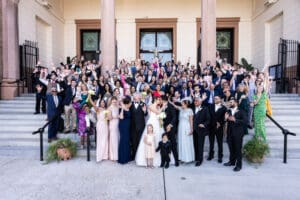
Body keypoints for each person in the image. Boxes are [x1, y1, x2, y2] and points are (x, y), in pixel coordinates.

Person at [135, 96, 165, 167]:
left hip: (157, 123)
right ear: (155, 100)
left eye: (160, 100)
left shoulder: (158, 107)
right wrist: (163, 107)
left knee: (158, 138)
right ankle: (147, 160)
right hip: (152, 123)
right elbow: (157, 112)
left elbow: (159, 115)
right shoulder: (151, 106)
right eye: (159, 100)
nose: (160, 101)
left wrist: (161, 120)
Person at [224, 97, 248, 172]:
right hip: (229, 132)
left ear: (236, 103)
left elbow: (245, 121)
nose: (230, 103)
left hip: (238, 133)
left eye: (231, 102)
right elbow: (225, 121)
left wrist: (235, 120)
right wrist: (225, 118)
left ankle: (239, 165)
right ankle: (232, 162)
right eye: (230, 102)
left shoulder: (241, 111)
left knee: (238, 150)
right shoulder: (228, 111)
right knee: (231, 149)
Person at [170, 99, 194, 163]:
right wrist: (169, 101)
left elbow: (191, 120)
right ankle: (182, 157)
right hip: (180, 127)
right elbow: (175, 106)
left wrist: (191, 129)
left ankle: (187, 158)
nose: (181, 104)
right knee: (181, 141)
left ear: (186, 104)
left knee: (186, 142)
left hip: (187, 126)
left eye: (183, 103)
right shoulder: (181, 109)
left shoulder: (190, 110)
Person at [208, 95, 227, 163]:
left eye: (216, 98)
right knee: (211, 142)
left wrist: (220, 123)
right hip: (211, 127)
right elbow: (209, 116)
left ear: (220, 99)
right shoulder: (210, 106)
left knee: (220, 143)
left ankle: (220, 156)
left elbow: (225, 119)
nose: (215, 99)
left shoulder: (224, 108)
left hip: (219, 128)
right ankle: (211, 155)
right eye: (214, 98)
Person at [161, 95, 179, 166]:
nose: (160, 101)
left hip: (171, 128)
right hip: (163, 127)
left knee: (173, 144)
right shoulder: (161, 107)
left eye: (160, 100)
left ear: (163, 100)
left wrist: (170, 125)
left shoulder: (171, 106)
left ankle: (176, 160)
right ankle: (167, 161)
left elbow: (174, 117)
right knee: (165, 145)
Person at [193, 97, 211, 166]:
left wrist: (204, 124)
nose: (195, 102)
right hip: (194, 130)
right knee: (195, 144)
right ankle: (196, 158)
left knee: (200, 146)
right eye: (195, 101)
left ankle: (200, 160)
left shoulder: (205, 109)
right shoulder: (192, 108)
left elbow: (208, 119)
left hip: (201, 130)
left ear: (200, 102)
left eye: (197, 101)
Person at [90, 98, 109, 162]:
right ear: (100, 103)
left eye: (103, 102)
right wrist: (90, 98)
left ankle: (105, 155)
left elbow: (107, 119)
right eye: (101, 102)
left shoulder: (106, 109)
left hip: (105, 125)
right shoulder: (98, 109)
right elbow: (93, 105)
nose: (102, 103)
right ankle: (100, 156)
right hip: (100, 125)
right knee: (100, 140)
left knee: (105, 140)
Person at [130, 92, 147, 159]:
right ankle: (134, 155)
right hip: (133, 126)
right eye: (134, 97)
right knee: (133, 141)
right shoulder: (130, 104)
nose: (135, 98)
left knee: (140, 140)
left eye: (136, 97)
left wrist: (145, 111)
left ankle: (140, 156)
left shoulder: (143, 104)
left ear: (139, 97)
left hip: (141, 125)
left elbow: (145, 114)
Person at [118, 97, 132, 164]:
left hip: (127, 126)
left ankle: (127, 157)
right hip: (123, 126)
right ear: (127, 103)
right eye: (130, 103)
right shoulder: (122, 108)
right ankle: (123, 158)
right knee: (123, 140)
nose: (131, 104)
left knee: (126, 141)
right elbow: (121, 117)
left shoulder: (128, 108)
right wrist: (122, 108)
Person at [108, 96, 120, 161]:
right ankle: (113, 156)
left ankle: (117, 154)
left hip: (118, 124)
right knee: (113, 139)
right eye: (113, 100)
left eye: (115, 100)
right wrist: (116, 116)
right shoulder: (110, 108)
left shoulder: (117, 107)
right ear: (111, 100)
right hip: (112, 124)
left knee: (117, 138)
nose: (114, 101)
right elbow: (109, 118)